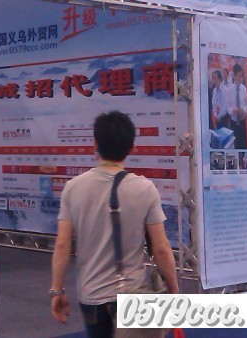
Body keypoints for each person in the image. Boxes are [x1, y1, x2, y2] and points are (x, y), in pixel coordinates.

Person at [50, 111, 178, 337]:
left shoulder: (73, 187)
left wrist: (57, 290)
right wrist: (174, 289)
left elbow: (62, 244)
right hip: (133, 292)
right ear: (132, 147)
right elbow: (160, 248)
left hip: (91, 294)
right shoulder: (145, 188)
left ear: (94, 144)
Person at [230, 63, 247, 149]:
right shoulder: (230, 90)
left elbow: (246, 105)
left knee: (243, 145)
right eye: (239, 76)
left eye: (242, 76)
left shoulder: (244, 89)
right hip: (233, 122)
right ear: (234, 76)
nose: (240, 78)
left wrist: (243, 109)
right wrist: (232, 110)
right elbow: (227, 106)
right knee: (234, 145)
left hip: (242, 122)